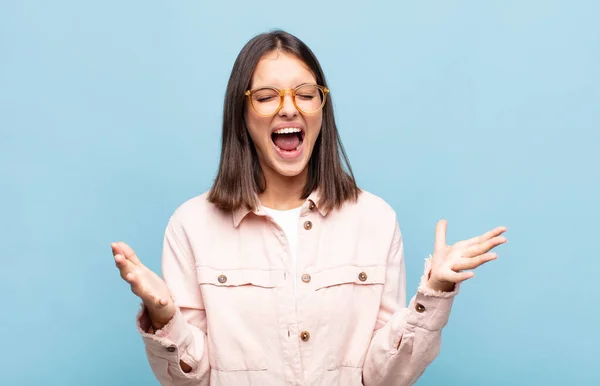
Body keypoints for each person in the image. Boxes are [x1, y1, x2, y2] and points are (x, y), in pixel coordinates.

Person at [110, 30, 507, 386]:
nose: (288, 108)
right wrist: (163, 315)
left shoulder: (375, 220)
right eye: (266, 97)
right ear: (242, 114)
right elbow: (191, 382)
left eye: (305, 94)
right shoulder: (191, 225)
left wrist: (433, 292)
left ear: (322, 107)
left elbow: (383, 378)